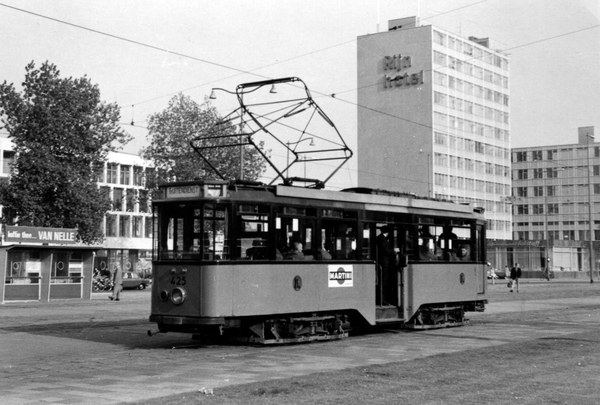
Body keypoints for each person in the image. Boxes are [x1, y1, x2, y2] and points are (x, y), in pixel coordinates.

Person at [376, 225, 400, 305]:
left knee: (383, 281)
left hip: (383, 263)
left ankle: (383, 299)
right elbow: (384, 251)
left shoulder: (380, 238)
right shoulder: (382, 239)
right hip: (384, 263)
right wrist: (394, 250)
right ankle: (383, 300)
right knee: (384, 281)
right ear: (388, 232)